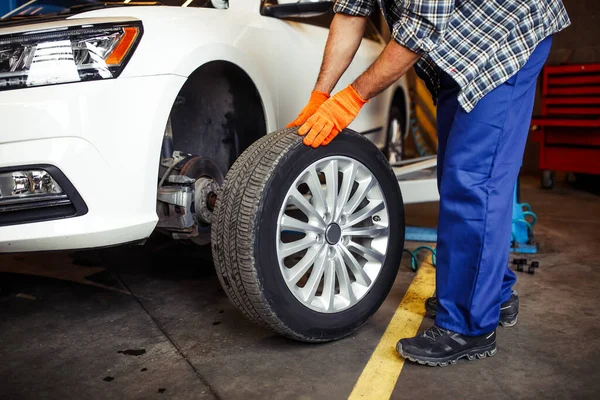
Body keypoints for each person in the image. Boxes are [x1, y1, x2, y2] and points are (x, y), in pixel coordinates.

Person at [287, 0, 570, 366]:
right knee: (456, 177)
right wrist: (321, 94)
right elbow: (351, 12)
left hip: (502, 34)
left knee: (473, 182)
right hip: (459, 46)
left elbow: (420, 27)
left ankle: (469, 326)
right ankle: (493, 292)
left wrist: (352, 97)